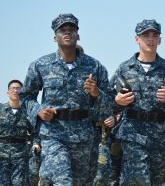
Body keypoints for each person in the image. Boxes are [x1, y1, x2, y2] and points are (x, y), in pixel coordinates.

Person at [20, 13, 112, 186]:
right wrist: (38, 110)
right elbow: (26, 96)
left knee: (80, 182)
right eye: (63, 30)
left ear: (79, 35)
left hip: (84, 136)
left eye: (72, 29)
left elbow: (110, 104)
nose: (67, 33)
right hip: (54, 134)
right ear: (55, 37)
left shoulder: (95, 66)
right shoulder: (41, 65)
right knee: (63, 181)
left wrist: (96, 94)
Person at [110, 19, 165, 185]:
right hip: (133, 134)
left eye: (155, 35)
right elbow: (107, 102)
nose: (150, 39)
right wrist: (117, 101)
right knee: (136, 181)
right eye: (145, 35)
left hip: (160, 137)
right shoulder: (124, 69)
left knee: (157, 181)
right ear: (137, 39)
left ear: (160, 40)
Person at [0, 79, 33, 186]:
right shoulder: (1, 109)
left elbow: (35, 131)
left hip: (20, 155)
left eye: (18, 89)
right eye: (12, 88)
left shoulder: (27, 112)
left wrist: (36, 143)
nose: (15, 91)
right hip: (1, 154)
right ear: (7, 92)